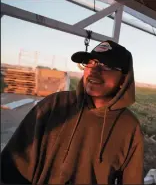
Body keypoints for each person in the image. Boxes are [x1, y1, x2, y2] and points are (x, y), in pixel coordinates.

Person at [1, 40, 144, 184]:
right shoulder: (55, 105)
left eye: (106, 66)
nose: (93, 71)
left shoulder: (129, 127)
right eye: (90, 63)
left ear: (123, 80)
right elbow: (13, 163)